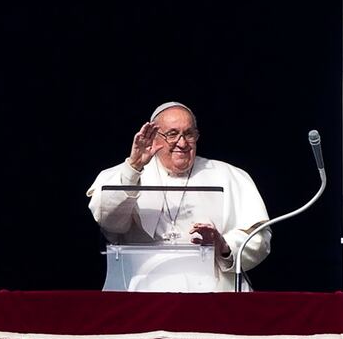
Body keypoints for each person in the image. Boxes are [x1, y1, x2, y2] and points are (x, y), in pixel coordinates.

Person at [87, 101, 271, 292]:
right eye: (172, 134)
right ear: (153, 136)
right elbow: (109, 221)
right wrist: (133, 167)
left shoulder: (229, 175)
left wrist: (223, 245)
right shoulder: (125, 175)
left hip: (214, 293)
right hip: (145, 291)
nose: (182, 143)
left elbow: (259, 238)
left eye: (189, 134)